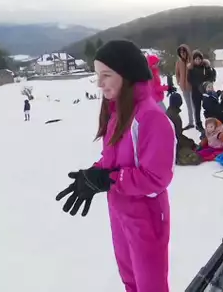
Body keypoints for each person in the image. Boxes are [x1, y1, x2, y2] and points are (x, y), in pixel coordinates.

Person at [55, 40, 175, 292]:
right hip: (121, 211)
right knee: (130, 282)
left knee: (150, 287)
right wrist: (94, 174)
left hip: (146, 216)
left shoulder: (150, 117)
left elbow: (156, 178)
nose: (100, 84)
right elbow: (114, 162)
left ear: (127, 74)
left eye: (106, 75)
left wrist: (109, 180)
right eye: (97, 75)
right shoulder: (120, 112)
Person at [166, 92, 202, 166]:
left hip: (169, 144)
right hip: (173, 146)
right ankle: (177, 157)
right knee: (196, 157)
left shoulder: (168, 113)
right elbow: (177, 137)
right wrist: (190, 143)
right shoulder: (174, 117)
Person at [187, 50, 216, 132]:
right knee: (197, 108)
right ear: (193, 60)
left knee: (208, 107)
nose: (198, 61)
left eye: (199, 59)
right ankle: (198, 124)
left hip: (206, 91)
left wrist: (207, 83)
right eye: (196, 59)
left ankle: (210, 123)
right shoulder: (191, 69)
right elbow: (190, 79)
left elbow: (211, 76)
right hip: (196, 91)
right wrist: (197, 84)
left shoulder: (206, 67)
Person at [175, 45, 195, 129]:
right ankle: (191, 122)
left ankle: (197, 122)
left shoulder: (191, 61)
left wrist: (191, 67)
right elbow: (177, 73)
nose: (182, 54)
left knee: (194, 106)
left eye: (184, 52)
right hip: (184, 88)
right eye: (181, 52)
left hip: (192, 87)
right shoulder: (178, 62)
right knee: (188, 106)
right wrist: (179, 81)